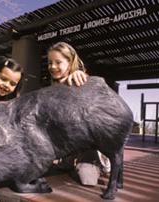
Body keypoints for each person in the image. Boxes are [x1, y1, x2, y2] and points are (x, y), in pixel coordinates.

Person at [47, 41, 110, 185]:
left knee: (88, 180)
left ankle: (101, 163)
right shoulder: (53, 89)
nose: (53, 66)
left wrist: (80, 75)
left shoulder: (81, 80)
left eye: (58, 62)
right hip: (69, 145)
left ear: (70, 63)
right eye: (50, 63)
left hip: (90, 147)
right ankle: (69, 160)